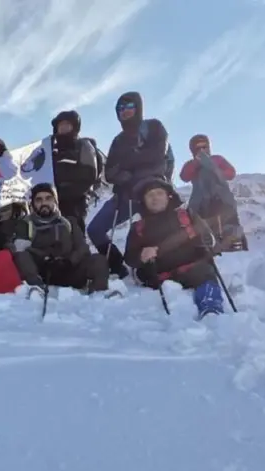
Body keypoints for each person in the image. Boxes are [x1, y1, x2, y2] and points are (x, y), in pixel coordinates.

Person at [87, 91, 172, 278]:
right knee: (94, 229)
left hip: (152, 190)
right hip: (126, 193)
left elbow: (158, 155)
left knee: (158, 232)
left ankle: (161, 268)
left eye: (129, 106)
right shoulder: (118, 140)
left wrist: (127, 164)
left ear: (138, 107)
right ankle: (117, 266)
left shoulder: (154, 127)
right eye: (120, 109)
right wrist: (127, 171)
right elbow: (109, 173)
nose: (124, 111)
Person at [124, 179, 225, 318]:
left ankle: (211, 309)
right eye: (150, 195)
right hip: (157, 280)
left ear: (168, 196)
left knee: (205, 273)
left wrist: (206, 243)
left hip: (194, 271)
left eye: (159, 193)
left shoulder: (187, 215)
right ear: (144, 201)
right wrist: (141, 255)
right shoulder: (137, 228)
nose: (155, 198)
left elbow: (209, 238)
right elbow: (129, 258)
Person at [10, 183, 110, 294]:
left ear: (55, 201)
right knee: (21, 256)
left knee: (99, 260)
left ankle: (99, 294)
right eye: (39, 200)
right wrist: (45, 259)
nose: (44, 203)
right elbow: (21, 250)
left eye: (48, 198)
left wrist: (69, 261)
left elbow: (83, 248)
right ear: (33, 204)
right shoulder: (26, 224)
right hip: (42, 273)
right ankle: (37, 289)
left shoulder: (68, 222)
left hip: (69, 269)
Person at [179, 134, 247, 251]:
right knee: (200, 220)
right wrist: (196, 164)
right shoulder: (191, 164)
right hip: (200, 198)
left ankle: (232, 239)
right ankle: (203, 242)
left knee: (227, 216)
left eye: (204, 147)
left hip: (221, 195)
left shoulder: (217, 159)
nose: (202, 150)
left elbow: (231, 173)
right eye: (198, 148)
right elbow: (184, 176)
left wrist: (215, 169)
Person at [49, 110, 104, 234]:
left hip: (75, 203)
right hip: (52, 202)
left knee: (75, 235)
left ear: (74, 127)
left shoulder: (83, 145)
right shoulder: (51, 151)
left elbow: (89, 174)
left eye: (67, 124)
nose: (63, 127)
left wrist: (65, 190)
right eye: (60, 125)